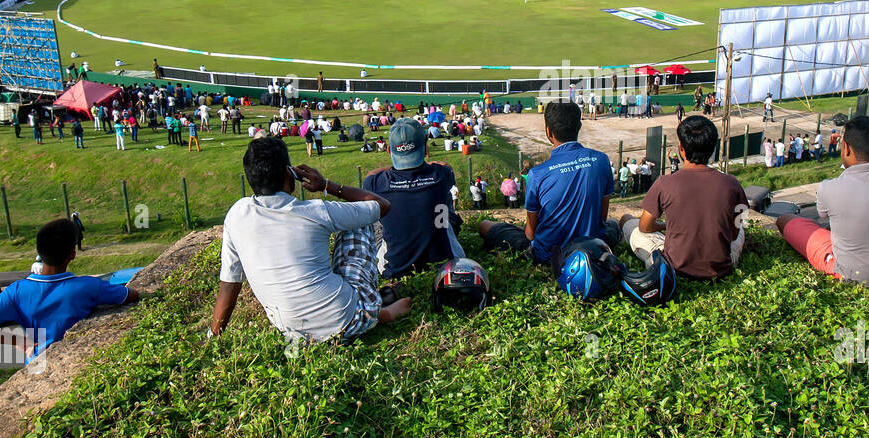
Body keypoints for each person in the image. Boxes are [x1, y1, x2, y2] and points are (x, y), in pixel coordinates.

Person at [213, 138, 410, 341]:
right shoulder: (316, 211)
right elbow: (381, 205)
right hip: (347, 322)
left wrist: (215, 335)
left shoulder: (236, 215)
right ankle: (379, 312)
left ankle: (362, 305)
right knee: (358, 221)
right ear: (289, 173)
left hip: (294, 333)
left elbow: (230, 282)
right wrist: (326, 185)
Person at [777, 116, 869, 286]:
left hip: (856, 275)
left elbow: (824, 215)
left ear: (846, 148)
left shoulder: (830, 188)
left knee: (786, 220)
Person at [0, 219, 138, 359]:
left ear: (39, 252)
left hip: (37, 364)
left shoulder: (16, 291)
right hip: (75, 360)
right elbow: (131, 295)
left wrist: (19, 342)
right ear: (72, 253)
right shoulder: (89, 286)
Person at [478, 101, 618, 267]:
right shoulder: (601, 160)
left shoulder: (537, 175)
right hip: (593, 247)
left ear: (548, 132)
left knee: (484, 225)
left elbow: (530, 234)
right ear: (579, 127)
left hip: (549, 255)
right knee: (614, 223)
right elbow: (602, 217)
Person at [619, 115, 745, 280]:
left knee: (629, 221)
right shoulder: (732, 183)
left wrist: (665, 227)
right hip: (721, 266)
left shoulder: (665, 183)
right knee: (742, 228)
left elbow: (645, 227)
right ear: (713, 148)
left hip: (672, 268)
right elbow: (735, 233)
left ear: (681, 148)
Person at [361, 119, 464, 280]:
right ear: (426, 148)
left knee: (377, 213)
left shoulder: (376, 183)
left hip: (394, 269)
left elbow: (369, 176)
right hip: (445, 263)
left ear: (389, 150)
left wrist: (393, 172)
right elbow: (446, 166)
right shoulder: (441, 175)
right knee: (445, 198)